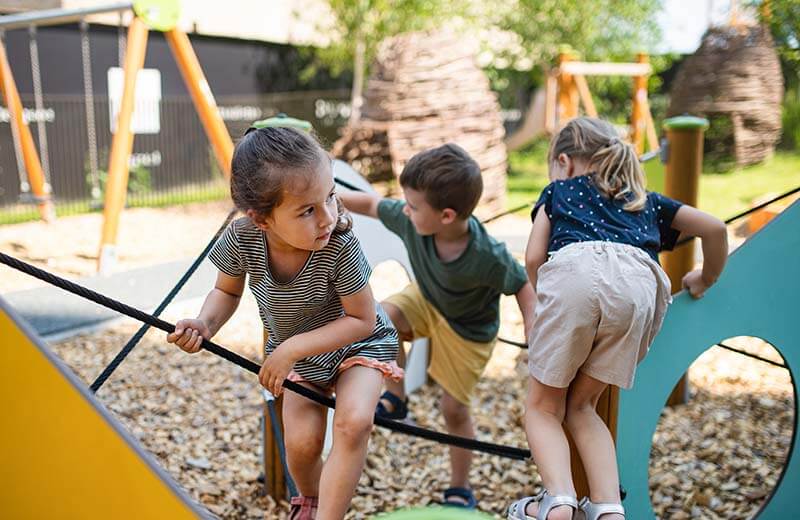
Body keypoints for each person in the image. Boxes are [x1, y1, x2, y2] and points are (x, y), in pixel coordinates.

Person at [167, 126, 401, 520]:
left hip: (359, 347)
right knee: (303, 444)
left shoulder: (339, 242)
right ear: (261, 218)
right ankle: (309, 500)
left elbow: (361, 320)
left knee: (353, 422)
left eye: (330, 197)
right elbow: (226, 292)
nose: (328, 217)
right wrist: (205, 324)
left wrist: (290, 348)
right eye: (308, 210)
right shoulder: (242, 239)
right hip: (303, 362)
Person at [507, 117, 728, 520]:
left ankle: (557, 500)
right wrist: (704, 278)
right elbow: (714, 228)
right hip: (639, 287)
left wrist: (547, 306)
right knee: (584, 405)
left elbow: (535, 257)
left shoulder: (559, 191)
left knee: (543, 406)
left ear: (564, 161)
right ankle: (609, 508)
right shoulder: (645, 200)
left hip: (576, 274)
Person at [339, 143, 536, 508]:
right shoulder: (412, 219)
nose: (406, 210)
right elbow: (369, 204)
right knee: (380, 318)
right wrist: (328, 198)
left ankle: (460, 487)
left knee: (453, 410)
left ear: (446, 216)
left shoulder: (486, 255)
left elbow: (521, 284)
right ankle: (396, 399)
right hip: (428, 299)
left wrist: (533, 328)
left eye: (413, 206)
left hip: (468, 330)